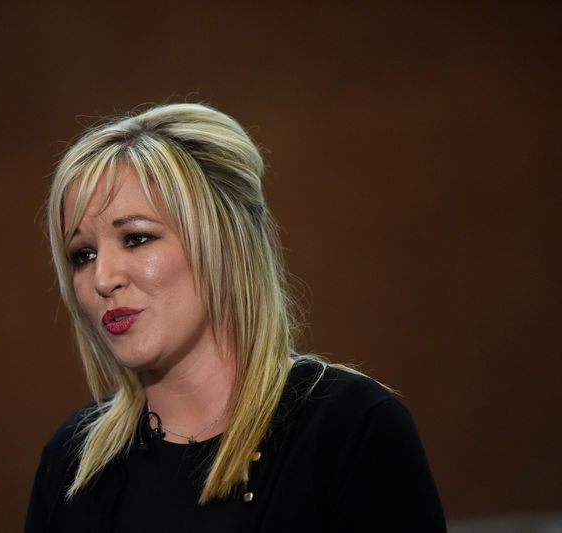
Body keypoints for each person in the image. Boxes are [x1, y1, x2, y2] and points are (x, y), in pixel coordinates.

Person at [25, 103, 446, 532]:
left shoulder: (350, 428)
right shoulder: (71, 464)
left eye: (136, 238)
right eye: (83, 255)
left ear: (228, 242)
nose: (103, 278)